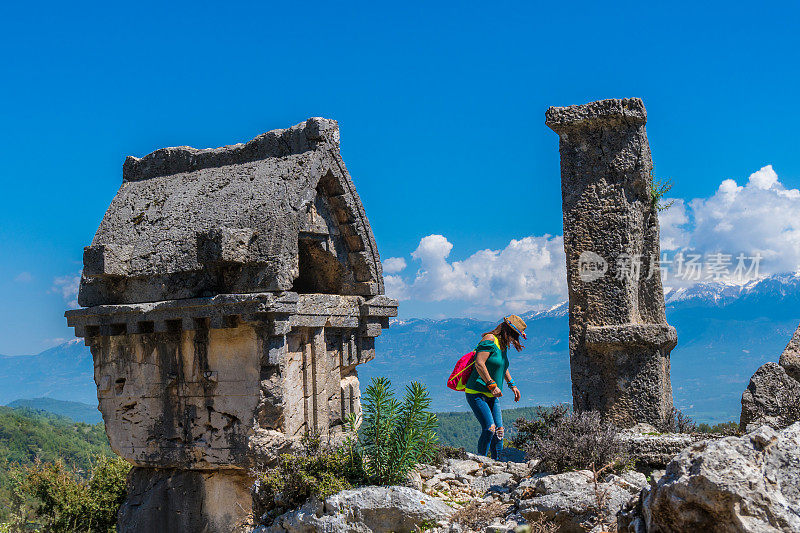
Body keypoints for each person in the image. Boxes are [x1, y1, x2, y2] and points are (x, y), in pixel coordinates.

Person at [463, 315, 526, 459]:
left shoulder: (502, 345)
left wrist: (512, 386)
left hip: (492, 395)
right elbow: (479, 363)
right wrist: (492, 384)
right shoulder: (489, 340)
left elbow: (502, 366)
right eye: (514, 336)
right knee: (489, 428)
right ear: (507, 331)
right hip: (476, 392)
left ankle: (498, 464)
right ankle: (480, 462)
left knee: (499, 431)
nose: (514, 340)